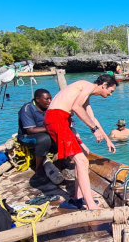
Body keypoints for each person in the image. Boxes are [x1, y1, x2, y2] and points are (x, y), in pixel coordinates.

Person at [44, 74, 117, 210]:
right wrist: (94, 129)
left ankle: (78, 196)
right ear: (104, 85)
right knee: (82, 161)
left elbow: (92, 118)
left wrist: (107, 140)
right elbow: (77, 107)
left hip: (61, 120)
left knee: (84, 153)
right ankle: (90, 204)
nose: (110, 94)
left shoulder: (86, 92)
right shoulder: (88, 85)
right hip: (57, 119)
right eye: (110, 91)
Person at [17, 88, 63, 183]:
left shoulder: (49, 108)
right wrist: (52, 129)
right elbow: (31, 130)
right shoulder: (27, 109)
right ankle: (39, 169)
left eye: (50, 99)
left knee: (67, 133)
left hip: (44, 133)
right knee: (44, 139)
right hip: (26, 137)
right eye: (46, 99)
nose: (49, 101)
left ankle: (60, 161)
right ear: (37, 99)